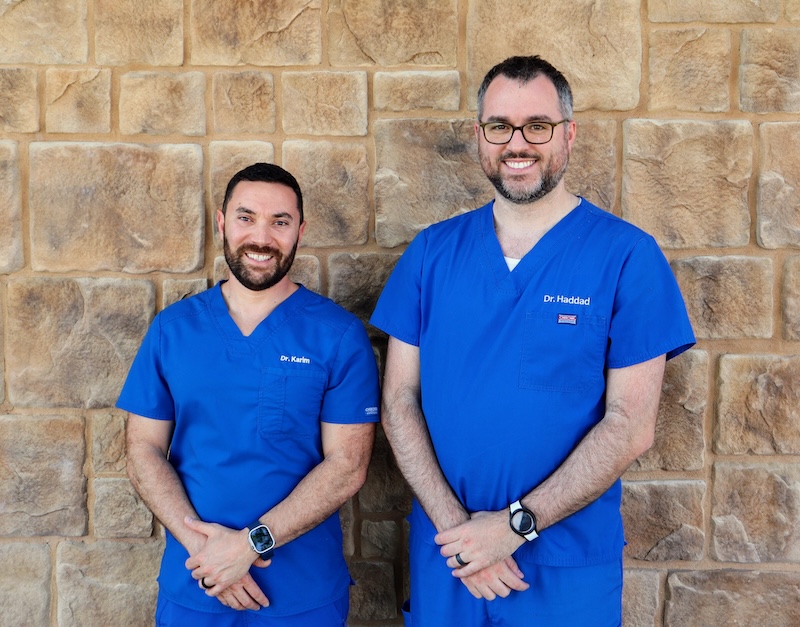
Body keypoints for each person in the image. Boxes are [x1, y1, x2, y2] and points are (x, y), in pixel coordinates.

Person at [370, 56, 696, 626]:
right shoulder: (431, 253)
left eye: (537, 126)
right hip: (450, 558)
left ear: (568, 135)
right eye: (499, 126)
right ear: (480, 136)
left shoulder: (626, 257)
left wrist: (515, 526)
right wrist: (459, 532)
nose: (517, 143)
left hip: (561, 566)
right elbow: (399, 402)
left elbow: (630, 425)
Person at [118, 163, 380, 626]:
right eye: (246, 218)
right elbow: (142, 448)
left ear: (300, 230)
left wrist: (248, 545)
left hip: (302, 595)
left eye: (279, 222)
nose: (261, 237)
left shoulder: (337, 335)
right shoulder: (172, 331)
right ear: (221, 222)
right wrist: (207, 552)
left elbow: (347, 466)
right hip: (195, 586)